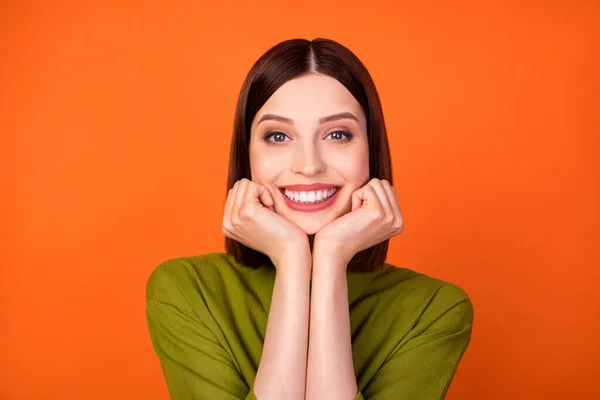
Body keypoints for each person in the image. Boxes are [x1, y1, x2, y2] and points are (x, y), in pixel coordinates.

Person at [145, 37, 474, 400]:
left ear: (371, 150)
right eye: (278, 136)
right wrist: (292, 257)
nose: (308, 164)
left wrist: (330, 258)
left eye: (337, 134)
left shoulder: (435, 310)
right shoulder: (188, 292)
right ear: (248, 156)